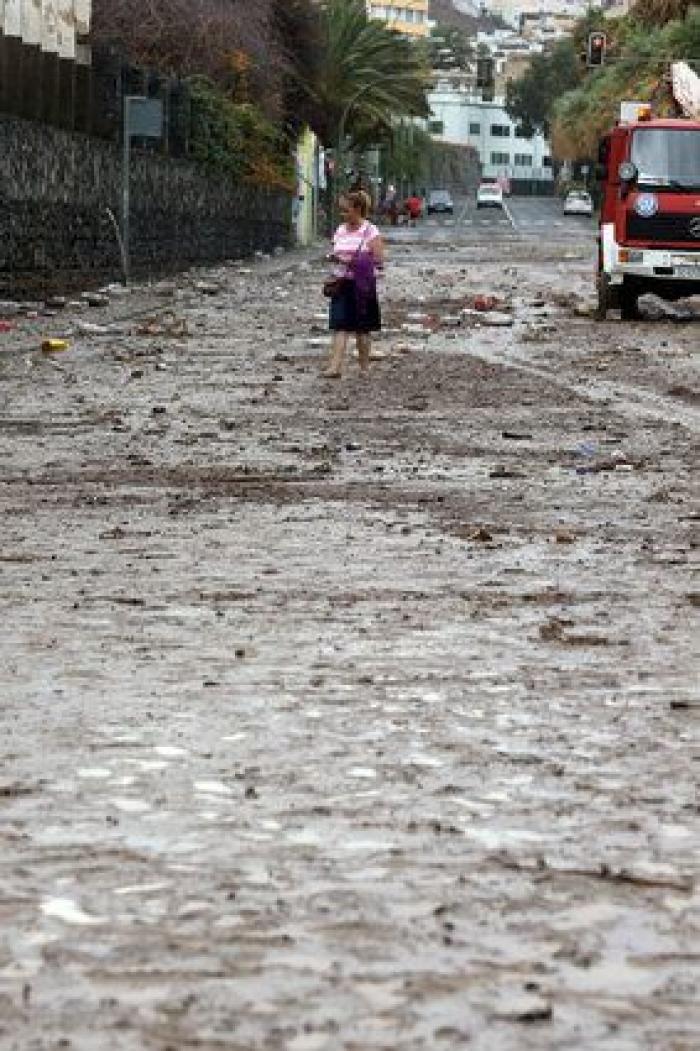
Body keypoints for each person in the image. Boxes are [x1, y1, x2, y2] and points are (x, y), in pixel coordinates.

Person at [323, 190, 385, 379]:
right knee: (339, 325)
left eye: (345, 210)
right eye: (341, 211)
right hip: (341, 284)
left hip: (362, 286)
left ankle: (364, 367)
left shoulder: (370, 231)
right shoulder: (340, 230)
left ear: (358, 209)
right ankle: (335, 367)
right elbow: (335, 250)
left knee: (362, 329)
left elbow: (379, 259)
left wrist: (354, 260)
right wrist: (334, 258)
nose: (342, 214)